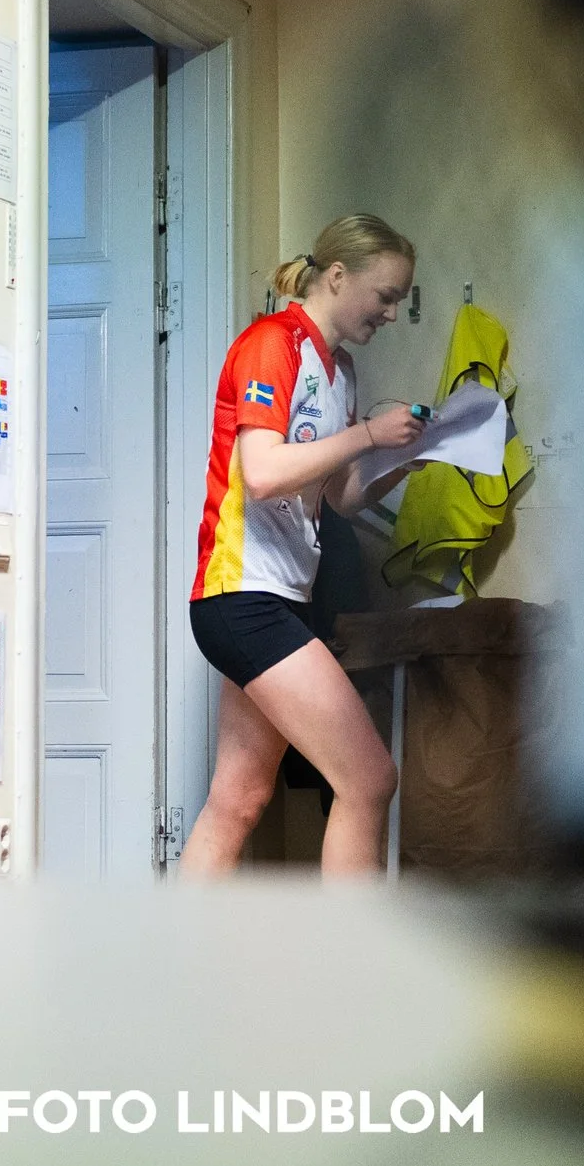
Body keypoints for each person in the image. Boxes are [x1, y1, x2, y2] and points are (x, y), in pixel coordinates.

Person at [178, 214, 425, 877]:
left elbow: (338, 495)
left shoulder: (338, 371)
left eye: (400, 298)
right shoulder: (273, 343)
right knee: (369, 779)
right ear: (338, 276)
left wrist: (404, 459)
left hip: (279, 598)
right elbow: (262, 473)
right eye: (387, 294)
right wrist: (369, 435)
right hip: (240, 594)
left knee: (237, 800)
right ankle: (347, 972)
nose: (394, 312)